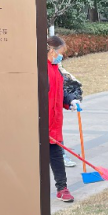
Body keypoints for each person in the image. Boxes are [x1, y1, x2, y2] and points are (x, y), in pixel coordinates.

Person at [48, 35, 80, 203]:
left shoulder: (55, 69)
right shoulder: (39, 69)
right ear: (52, 51)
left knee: (56, 156)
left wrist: (70, 101)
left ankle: (62, 188)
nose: (62, 56)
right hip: (39, 125)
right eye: (61, 52)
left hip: (54, 123)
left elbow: (59, 92)